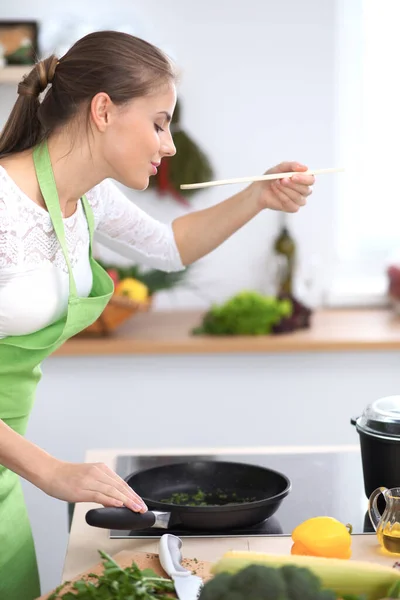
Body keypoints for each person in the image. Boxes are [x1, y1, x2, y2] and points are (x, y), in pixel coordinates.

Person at [0, 30, 314, 599]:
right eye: (159, 122)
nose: (168, 145)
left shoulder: (86, 197)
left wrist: (258, 196)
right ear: (103, 110)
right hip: (26, 463)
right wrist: (51, 471)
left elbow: (169, 245)